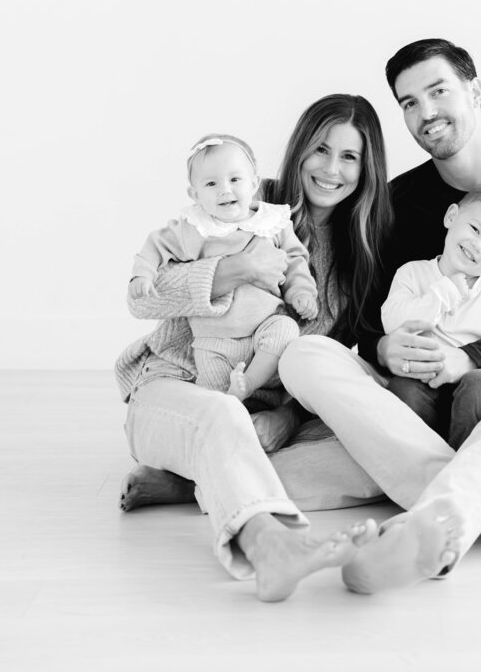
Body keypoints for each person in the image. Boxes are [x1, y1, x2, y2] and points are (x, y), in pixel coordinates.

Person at [279, 37, 481, 594]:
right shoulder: (399, 201)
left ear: (474, 90)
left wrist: (465, 358)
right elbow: (367, 326)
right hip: (411, 405)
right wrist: (381, 349)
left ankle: (423, 534)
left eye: (438, 90)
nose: (425, 112)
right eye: (408, 102)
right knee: (305, 355)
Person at [116, 94, 394, 601]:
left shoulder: (363, 252)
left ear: (366, 167)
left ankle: (196, 482)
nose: (331, 169)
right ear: (298, 151)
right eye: (320, 149)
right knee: (222, 414)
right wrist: (237, 269)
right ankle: (272, 550)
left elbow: (316, 363)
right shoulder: (238, 200)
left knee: (368, 460)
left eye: (349, 157)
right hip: (178, 388)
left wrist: (286, 420)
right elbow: (143, 300)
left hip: (264, 418)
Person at [129, 133, 318, 400]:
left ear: (253, 183)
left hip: (262, 328)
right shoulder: (194, 228)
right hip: (212, 340)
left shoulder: (272, 222)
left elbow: (296, 260)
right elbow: (156, 246)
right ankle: (230, 403)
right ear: (194, 194)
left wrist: (301, 292)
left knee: (285, 329)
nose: (225, 190)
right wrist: (143, 274)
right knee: (215, 395)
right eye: (211, 183)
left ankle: (249, 383)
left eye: (235, 179)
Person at [382, 183, 481, 447]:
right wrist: (444, 292)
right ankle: (422, 462)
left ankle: (466, 467)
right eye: (475, 229)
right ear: (451, 217)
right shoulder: (413, 274)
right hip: (426, 383)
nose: (477, 246)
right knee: (402, 390)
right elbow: (392, 322)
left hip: (480, 383)